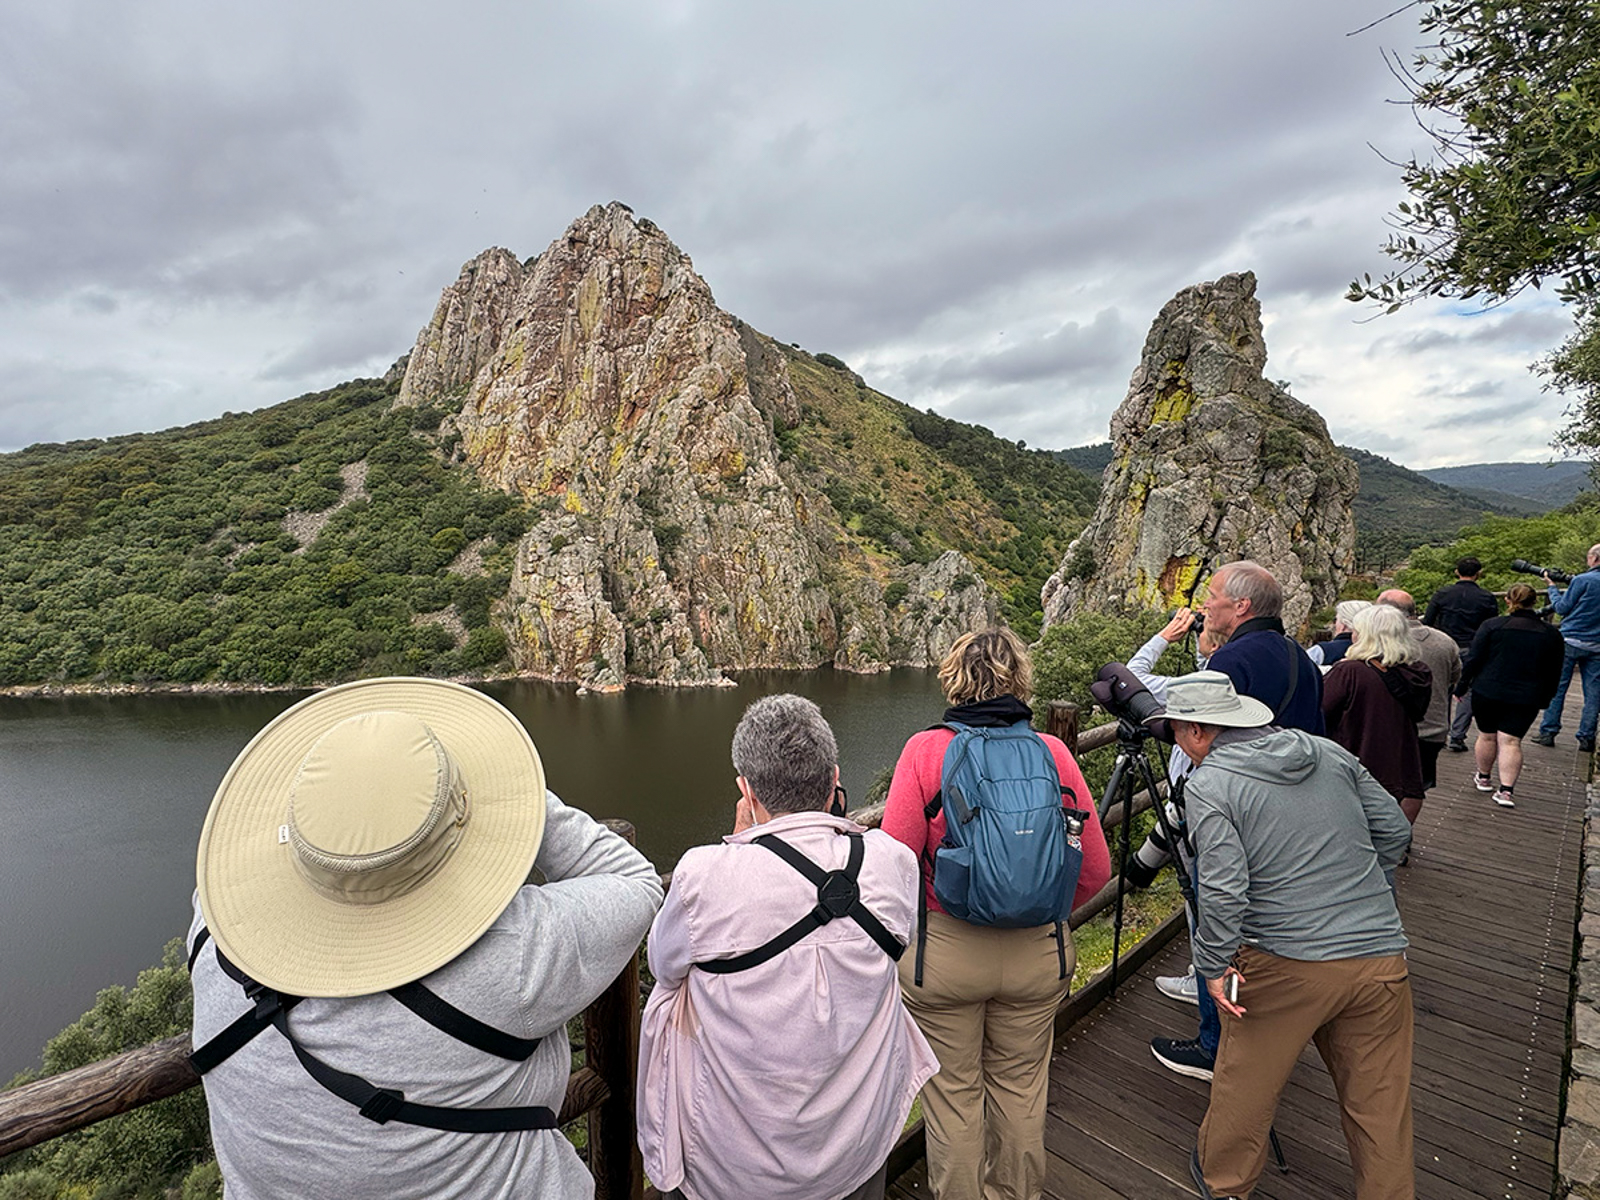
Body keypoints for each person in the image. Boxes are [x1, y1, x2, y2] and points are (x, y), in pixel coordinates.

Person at [187, 677, 664, 1200]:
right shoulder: (511, 951)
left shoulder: (212, 933)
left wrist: (341, 813)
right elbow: (633, 882)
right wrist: (511, 797)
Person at [636, 694, 937, 1200]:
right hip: (856, 1148)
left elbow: (663, 967)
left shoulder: (703, 875)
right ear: (834, 777)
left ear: (746, 791)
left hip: (734, 1168)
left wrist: (739, 846)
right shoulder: (891, 861)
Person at [1166, 672, 1414, 1200]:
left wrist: (1212, 967)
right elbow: (1395, 832)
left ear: (1196, 731)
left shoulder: (1211, 785)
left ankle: (1224, 1183)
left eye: (1174, 732)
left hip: (1284, 961)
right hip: (1380, 955)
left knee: (1246, 1086)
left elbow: (1224, 890)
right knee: (1381, 1105)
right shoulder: (1327, 753)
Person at [882, 628, 1111, 1200]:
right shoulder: (1052, 752)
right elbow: (1095, 869)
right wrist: (1042, 909)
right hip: (1038, 954)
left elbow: (894, 863)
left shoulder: (925, 750)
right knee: (1021, 1091)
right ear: (1019, 679)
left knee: (955, 1097)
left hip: (946, 956)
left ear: (955, 679)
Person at [1149, 560, 1324, 1083]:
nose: (1206, 604)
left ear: (1241, 607)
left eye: (1214, 596)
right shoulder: (1299, 657)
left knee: (1217, 910)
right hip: (1291, 811)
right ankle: (1249, 1020)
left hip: (1235, 809)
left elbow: (1201, 735)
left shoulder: (1232, 663)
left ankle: (1213, 1043)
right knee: (1256, 922)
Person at [1123, 607, 1220, 1007]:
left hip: (1193, 807)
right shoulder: (1234, 686)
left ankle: (1204, 981)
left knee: (1199, 894)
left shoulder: (1195, 688)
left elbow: (1131, 675)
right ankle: (1209, 977)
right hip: (1218, 805)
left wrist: (1166, 635)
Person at [1458, 583, 1566, 807]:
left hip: (1488, 688)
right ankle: (1506, 790)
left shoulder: (1492, 626)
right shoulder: (1551, 634)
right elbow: (1555, 669)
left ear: (1508, 600)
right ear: (1534, 602)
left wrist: (1461, 686)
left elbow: (1474, 659)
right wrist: (1548, 695)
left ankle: (1484, 776)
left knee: (1486, 735)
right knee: (1511, 741)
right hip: (1526, 694)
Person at [1321, 605, 1432, 821]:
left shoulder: (1350, 672)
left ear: (1365, 635)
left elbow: (1319, 711)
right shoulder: (1419, 673)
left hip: (1355, 758)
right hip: (1399, 759)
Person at [1376, 588, 1462, 803]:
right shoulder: (1445, 642)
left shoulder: (1382, 642)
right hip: (1433, 729)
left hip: (1392, 730)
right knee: (1416, 788)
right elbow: (1455, 677)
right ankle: (1403, 832)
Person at [1423, 556, 1500, 751]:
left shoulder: (1442, 594)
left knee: (1440, 688)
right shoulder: (1486, 598)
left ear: (1457, 571)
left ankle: (1439, 731)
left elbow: (1428, 620)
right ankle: (1457, 735)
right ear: (1478, 573)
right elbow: (1491, 627)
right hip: (1472, 648)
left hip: (1443, 646)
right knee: (1466, 691)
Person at [1533, 544, 1600, 752]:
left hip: (1570, 640)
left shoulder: (1583, 580)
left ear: (1594, 559)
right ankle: (1587, 737)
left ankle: (1548, 732)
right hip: (1597, 644)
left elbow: (1562, 608)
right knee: (1594, 692)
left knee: (1557, 688)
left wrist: (1551, 587)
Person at [1306, 599, 1370, 667]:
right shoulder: (1377, 652)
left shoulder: (1321, 650)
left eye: (1336, 620)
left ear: (1343, 625)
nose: (1334, 624)